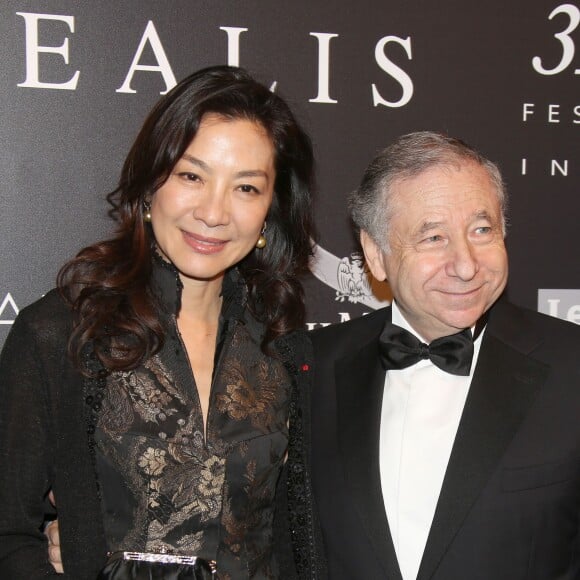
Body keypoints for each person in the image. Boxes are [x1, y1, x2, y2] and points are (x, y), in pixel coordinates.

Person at [0, 66, 323, 579]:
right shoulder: (60, 334)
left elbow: (294, 538)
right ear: (152, 183)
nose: (214, 213)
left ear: (270, 210)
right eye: (192, 176)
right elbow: (8, 532)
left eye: (245, 188)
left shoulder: (282, 347)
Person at [307, 132, 580, 579]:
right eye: (433, 237)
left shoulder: (573, 369)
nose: (467, 264)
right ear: (375, 255)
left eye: (482, 230)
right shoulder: (308, 370)